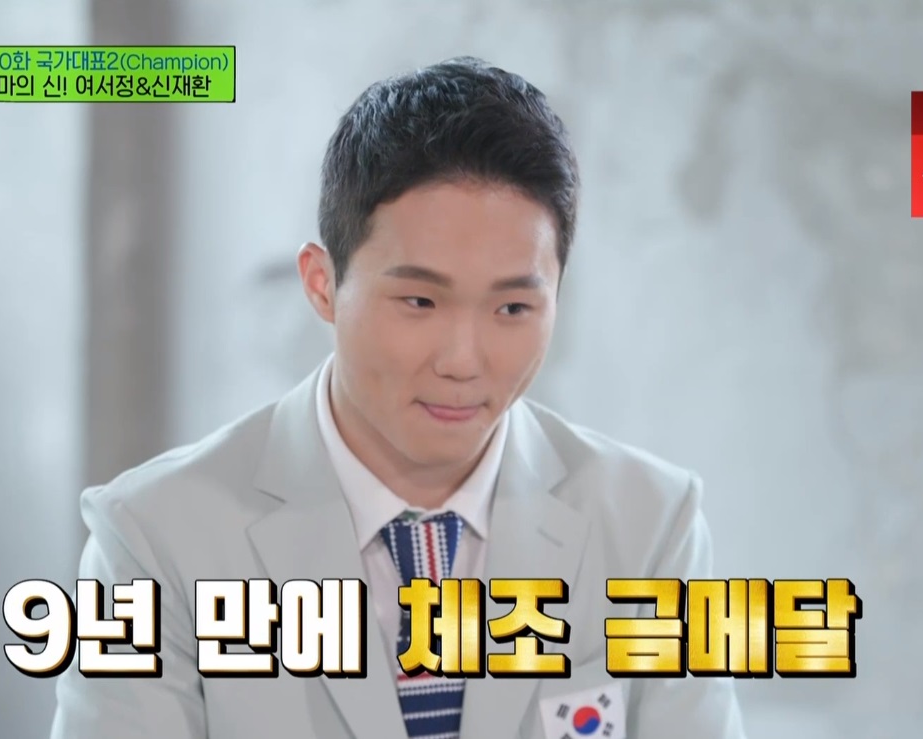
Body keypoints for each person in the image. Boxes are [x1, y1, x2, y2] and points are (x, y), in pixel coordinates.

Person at [51, 56, 747, 739]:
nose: (462, 361)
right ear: (322, 284)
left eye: (512, 308)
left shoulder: (650, 525)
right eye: (419, 301)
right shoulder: (157, 536)